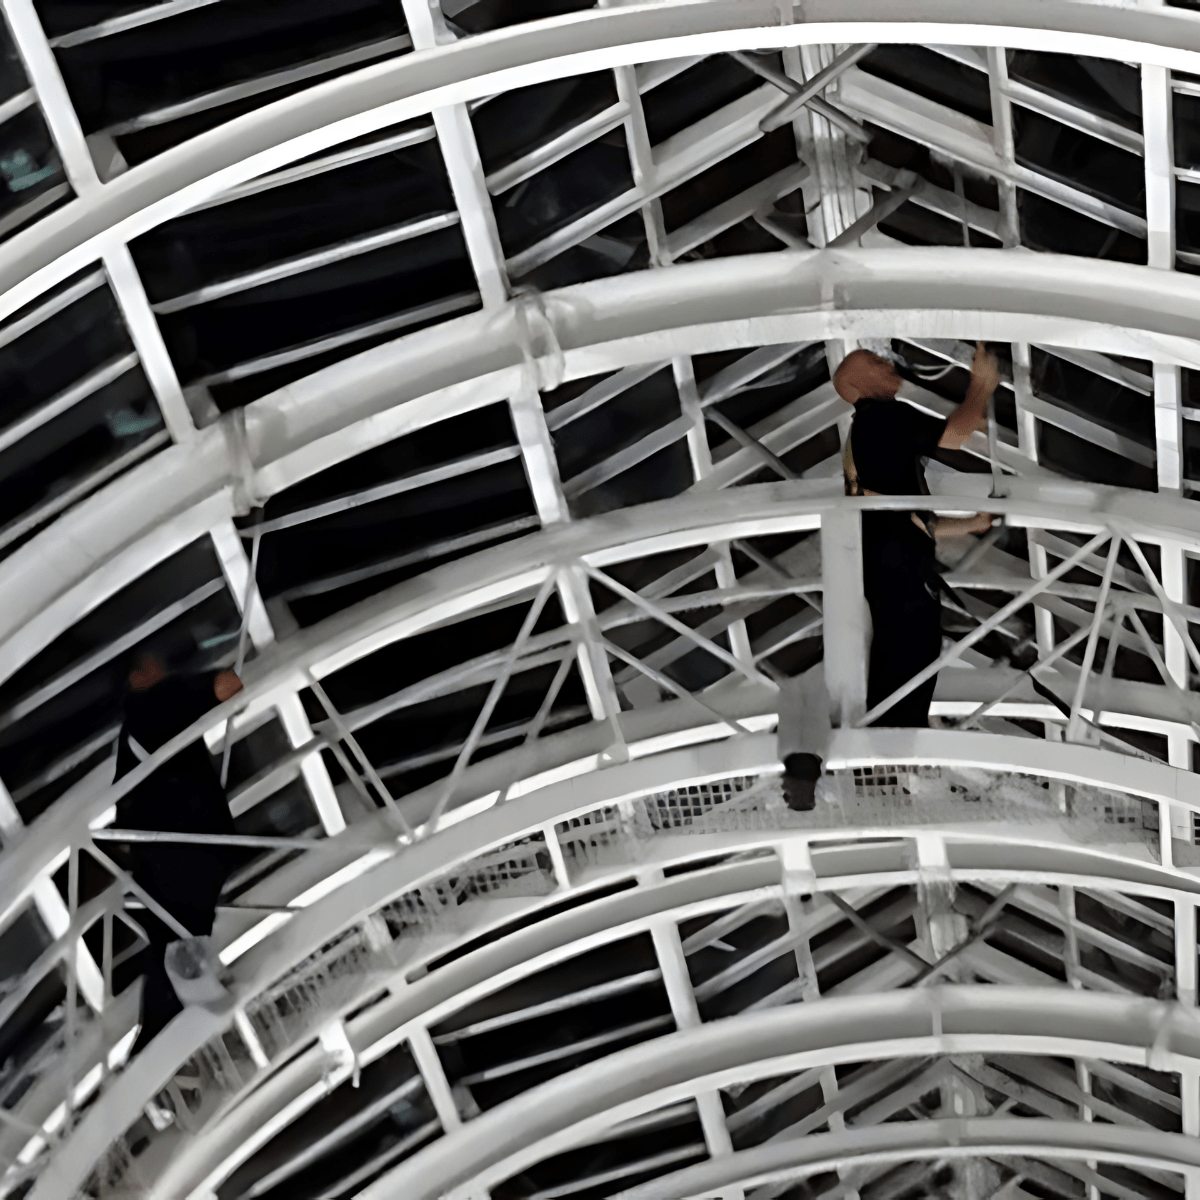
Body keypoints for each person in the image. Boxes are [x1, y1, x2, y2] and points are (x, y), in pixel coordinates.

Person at [832, 342, 998, 728]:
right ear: (857, 384)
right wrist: (982, 385)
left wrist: (970, 524)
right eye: (875, 362)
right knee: (912, 645)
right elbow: (955, 435)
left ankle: (892, 738)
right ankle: (892, 739)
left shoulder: (867, 435)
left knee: (906, 644)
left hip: (888, 556)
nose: (887, 363)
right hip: (897, 558)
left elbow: (908, 518)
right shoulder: (882, 417)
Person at [114, 651, 243, 1052]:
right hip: (188, 848)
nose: (163, 664)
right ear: (140, 675)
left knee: (170, 939)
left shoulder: (131, 730)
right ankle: (163, 1035)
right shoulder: (163, 699)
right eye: (155, 663)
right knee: (178, 937)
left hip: (157, 857)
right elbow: (227, 686)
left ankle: (157, 1039)